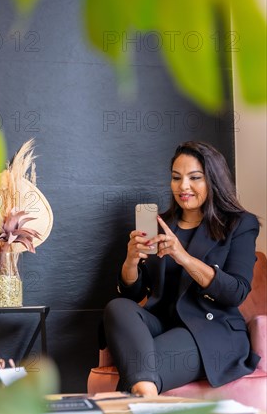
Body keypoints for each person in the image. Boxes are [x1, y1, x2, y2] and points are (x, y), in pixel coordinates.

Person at [103, 141, 261, 396]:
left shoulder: (240, 224)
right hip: (164, 324)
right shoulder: (162, 223)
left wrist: (183, 256)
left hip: (210, 331)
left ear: (213, 181)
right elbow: (132, 294)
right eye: (176, 178)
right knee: (117, 308)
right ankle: (147, 400)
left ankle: (142, 399)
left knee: (138, 371)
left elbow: (236, 292)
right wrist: (130, 261)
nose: (183, 186)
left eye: (194, 178)